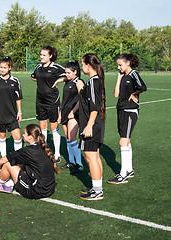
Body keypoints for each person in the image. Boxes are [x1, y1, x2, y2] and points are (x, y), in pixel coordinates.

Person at [0, 124, 59, 199]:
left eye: (25, 133)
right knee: (20, 164)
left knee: (8, 164)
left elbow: (4, 160)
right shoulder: (43, 147)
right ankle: (10, 183)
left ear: (30, 137)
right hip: (50, 189)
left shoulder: (27, 150)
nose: (23, 135)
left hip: (36, 191)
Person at [107, 53, 147, 184]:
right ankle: (129, 170)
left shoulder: (133, 74)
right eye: (118, 65)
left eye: (120, 65)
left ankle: (122, 175)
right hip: (121, 109)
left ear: (128, 63)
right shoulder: (123, 76)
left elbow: (143, 87)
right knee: (126, 141)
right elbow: (116, 94)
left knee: (122, 142)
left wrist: (134, 93)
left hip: (130, 110)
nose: (119, 67)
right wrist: (119, 78)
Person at [77, 53, 106, 200]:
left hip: (92, 125)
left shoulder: (94, 81)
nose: (82, 67)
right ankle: (97, 186)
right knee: (95, 156)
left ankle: (97, 191)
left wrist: (89, 126)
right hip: (94, 124)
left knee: (90, 157)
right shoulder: (92, 81)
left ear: (89, 65)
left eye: (83, 64)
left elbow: (94, 107)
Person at [31, 46, 66, 163]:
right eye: (41, 54)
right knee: (43, 127)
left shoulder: (56, 67)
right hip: (40, 101)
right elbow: (33, 77)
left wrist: (58, 80)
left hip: (52, 101)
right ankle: (45, 152)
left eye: (44, 55)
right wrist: (42, 81)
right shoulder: (38, 67)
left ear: (50, 56)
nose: (41, 57)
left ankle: (57, 154)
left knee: (54, 127)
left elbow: (69, 74)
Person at [53, 61, 84, 173]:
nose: (66, 74)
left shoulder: (79, 81)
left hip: (74, 113)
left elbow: (82, 99)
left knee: (72, 138)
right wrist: (61, 114)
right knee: (67, 138)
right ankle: (71, 161)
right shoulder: (68, 80)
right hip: (65, 112)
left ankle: (79, 164)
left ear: (75, 72)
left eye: (69, 72)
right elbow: (65, 100)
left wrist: (73, 111)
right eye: (65, 72)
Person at [0, 57, 23, 158]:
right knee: (2, 136)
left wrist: (19, 111)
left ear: (10, 68)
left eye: (4, 67)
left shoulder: (15, 81)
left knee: (17, 137)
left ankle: (18, 157)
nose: (2, 69)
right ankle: (4, 158)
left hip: (12, 114)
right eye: (1, 67)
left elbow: (18, 98)